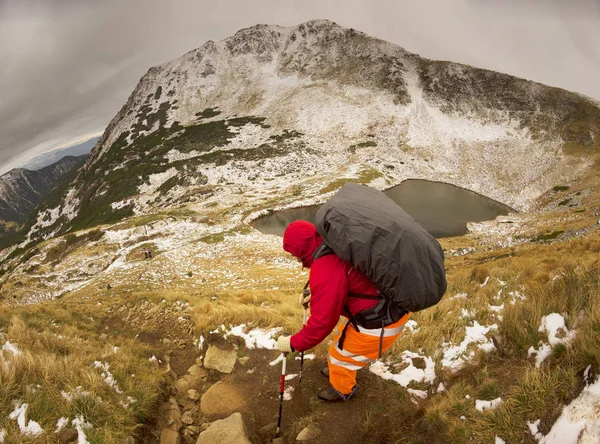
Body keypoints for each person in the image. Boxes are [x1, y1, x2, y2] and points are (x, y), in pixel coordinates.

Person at [276, 220, 410, 402]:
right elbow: (342, 284)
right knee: (341, 336)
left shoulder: (325, 268)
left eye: (294, 254)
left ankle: (343, 390)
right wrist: (315, 295)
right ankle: (336, 367)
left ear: (301, 250)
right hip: (382, 308)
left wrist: (293, 343)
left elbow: (321, 324)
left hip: (379, 321)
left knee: (340, 357)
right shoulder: (335, 244)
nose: (296, 258)